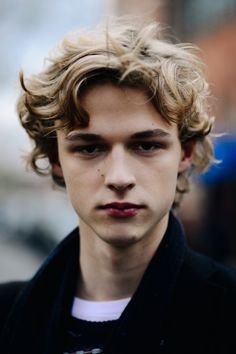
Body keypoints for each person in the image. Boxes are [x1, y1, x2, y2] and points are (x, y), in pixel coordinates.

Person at [0, 16, 236, 354]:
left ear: (185, 153)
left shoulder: (227, 315)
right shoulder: (7, 315)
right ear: (56, 160)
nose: (119, 177)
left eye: (146, 145)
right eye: (90, 148)